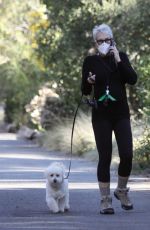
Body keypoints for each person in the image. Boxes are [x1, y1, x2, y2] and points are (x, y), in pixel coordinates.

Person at [81, 24, 137, 214]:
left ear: (112, 40)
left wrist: (119, 59)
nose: (103, 43)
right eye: (100, 41)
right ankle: (105, 200)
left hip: (121, 113)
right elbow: (84, 90)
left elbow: (132, 79)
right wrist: (88, 82)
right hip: (101, 115)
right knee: (104, 156)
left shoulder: (121, 57)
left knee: (127, 155)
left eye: (107, 40)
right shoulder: (90, 61)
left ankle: (121, 191)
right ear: (95, 43)